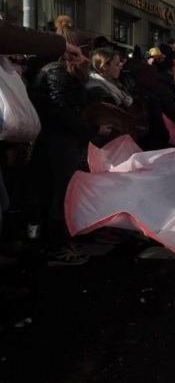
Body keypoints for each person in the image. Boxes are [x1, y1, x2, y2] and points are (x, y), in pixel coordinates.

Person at [30, 21, 113, 266]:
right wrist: (95, 128)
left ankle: (57, 242)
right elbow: (64, 114)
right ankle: (56, 245)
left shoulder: (62, 72)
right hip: (57, 144)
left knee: (61, 193)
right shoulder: (57, 73)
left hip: (61, 143)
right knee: (60, 195)